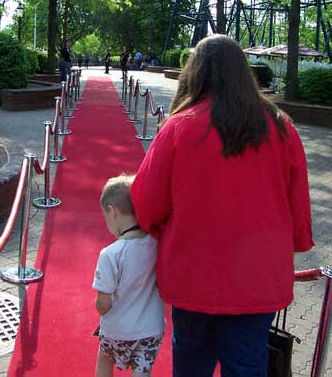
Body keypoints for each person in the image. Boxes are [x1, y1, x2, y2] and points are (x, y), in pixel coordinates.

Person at [131, 34, 315, 377]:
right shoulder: (280, 126)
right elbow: (297, 202)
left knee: (191, 362)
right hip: (258, 275)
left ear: (195, 73)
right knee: (247, 364)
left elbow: (147, 204)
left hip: (193, 272)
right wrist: (297, 243)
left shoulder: (179, 127)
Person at [93, 174, 164, 377]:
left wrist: (99, 308)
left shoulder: (111, 254)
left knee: (104, 358)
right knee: (142, 369)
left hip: (118, 329)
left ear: (112, 211)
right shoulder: (155, 243)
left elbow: (103, 303)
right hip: (151, 329)